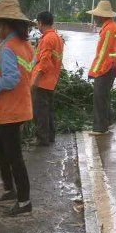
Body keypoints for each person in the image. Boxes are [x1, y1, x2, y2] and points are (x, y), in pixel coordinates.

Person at [0, 0, 35, 216]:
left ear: (5, 25)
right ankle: (10, 189)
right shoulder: (25, 46)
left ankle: (24, 202)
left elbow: (11, 79)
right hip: (19, 107)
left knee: (14, 157)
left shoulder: (8, 49)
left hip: (11, 110)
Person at [87, 0, 116, 135]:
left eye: (97, 15)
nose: (95, 17)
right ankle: (108, 121)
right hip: (111, 67)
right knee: (104, 96)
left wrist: (94, 71)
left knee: (99, 97)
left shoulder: (108, 29)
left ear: (102, 16)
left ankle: (100, 128)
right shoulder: (112, 27)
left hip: (106, 68)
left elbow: (103, 54)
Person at [31, 11, 64, 146]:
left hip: (43, 81)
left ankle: (42, 139)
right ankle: (50, 136)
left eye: (37, 23)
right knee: (48, 110)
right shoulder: (56, 37)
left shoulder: (47, 39)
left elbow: (44, 61)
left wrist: (35, 81)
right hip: (51, 80)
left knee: (40, 112)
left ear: (40, 23)